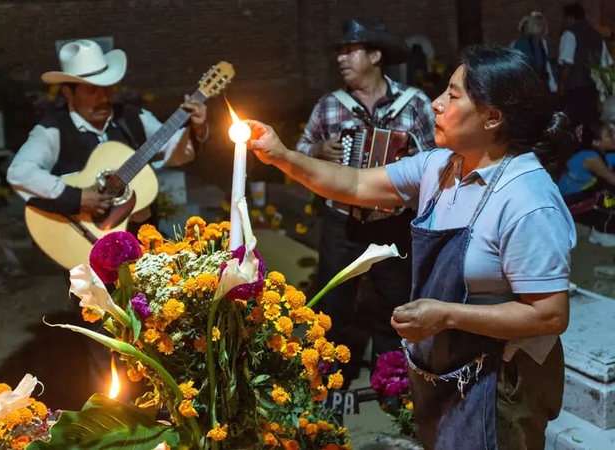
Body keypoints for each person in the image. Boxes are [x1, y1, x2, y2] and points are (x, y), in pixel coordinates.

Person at [247, 45, 576, 449]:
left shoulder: (528, 200)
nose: (436, 104)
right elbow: (354, 184)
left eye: (453, 96)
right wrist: (281, 156)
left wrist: (446, 315)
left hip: (503, 386)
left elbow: (548, 315)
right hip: (447, 372)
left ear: (493, 117)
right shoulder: (440, 166)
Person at [296, 18, 435, 383]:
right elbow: (298, 154)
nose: (341, 58)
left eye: (349, 50)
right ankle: (330, 379)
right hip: (341, 222)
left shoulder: (414, 103)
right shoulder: (329, 106)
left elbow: (437, 158)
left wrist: (412, 166)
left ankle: (389, 381)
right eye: (339, 52)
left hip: (394, 223)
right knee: (333, 304)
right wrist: (317, 151)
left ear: (375, 55)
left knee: (395, 304)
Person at [7, 39, 208, 230]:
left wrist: (196, 129)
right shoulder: (52, 130)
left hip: (139, 235)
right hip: (83, 240)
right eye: (92, 91)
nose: (102, 98)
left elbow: (174, 151)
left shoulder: (134, 118)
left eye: (107, 88)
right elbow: (20, 172)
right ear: (69, 93)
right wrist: (76, 197)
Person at [559, 101, 615, 246]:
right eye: (609, 134)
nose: (614, 135)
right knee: (610, 197)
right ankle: (599, 233)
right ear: (596, 142)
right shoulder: (591, 159)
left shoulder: (601, 153)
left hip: (585, 193)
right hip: (571, 201)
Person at [558, 2, 613, 127]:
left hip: (575, 89)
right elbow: (605, 66)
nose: (563, 22)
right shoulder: (597, 36)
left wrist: (561, 88)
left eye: (564, 18)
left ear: (570, 17)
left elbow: (567, 63)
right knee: (589, 127)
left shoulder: (570, 34)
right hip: (592, 89)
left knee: (572, 125)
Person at [510, 11, 557, 93]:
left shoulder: (542, 43)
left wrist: (552, 87)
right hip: (527, 87)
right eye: (538, 25)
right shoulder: (519, 44)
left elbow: (546, 66)